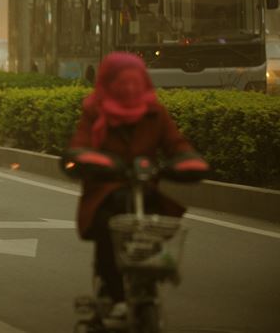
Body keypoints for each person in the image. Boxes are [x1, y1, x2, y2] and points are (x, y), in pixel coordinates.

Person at [67, 52, 207, 322]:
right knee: (109, 227)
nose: (129, 88)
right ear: (109, 84)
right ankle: (114, 294)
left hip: (146, 192)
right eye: (122, 82)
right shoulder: (95, 111)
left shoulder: (155, 113)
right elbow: (79, 147)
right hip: (105, 194)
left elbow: (177, 145)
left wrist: (187, 162)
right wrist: (98, 162)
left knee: (153, 226)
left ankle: (147, 283)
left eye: (135, 82)